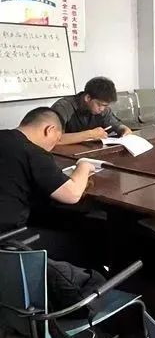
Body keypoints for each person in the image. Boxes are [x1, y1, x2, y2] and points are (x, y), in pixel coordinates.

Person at [0, 108, 96, 262]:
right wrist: (84, 165)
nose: (53, 145)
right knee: (86, 241)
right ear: (49, 130)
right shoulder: (32, 152)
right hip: (8, 240)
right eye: (56, 139)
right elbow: (72, 194)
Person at [52, 76, 132, 145]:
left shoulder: (103, 110)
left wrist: (124, 129)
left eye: (105, 105)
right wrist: (90, 134)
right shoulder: (63, 107)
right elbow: (53, 138)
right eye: (99, 104)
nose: (102, 109)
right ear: (88, 98)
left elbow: (116, 125)